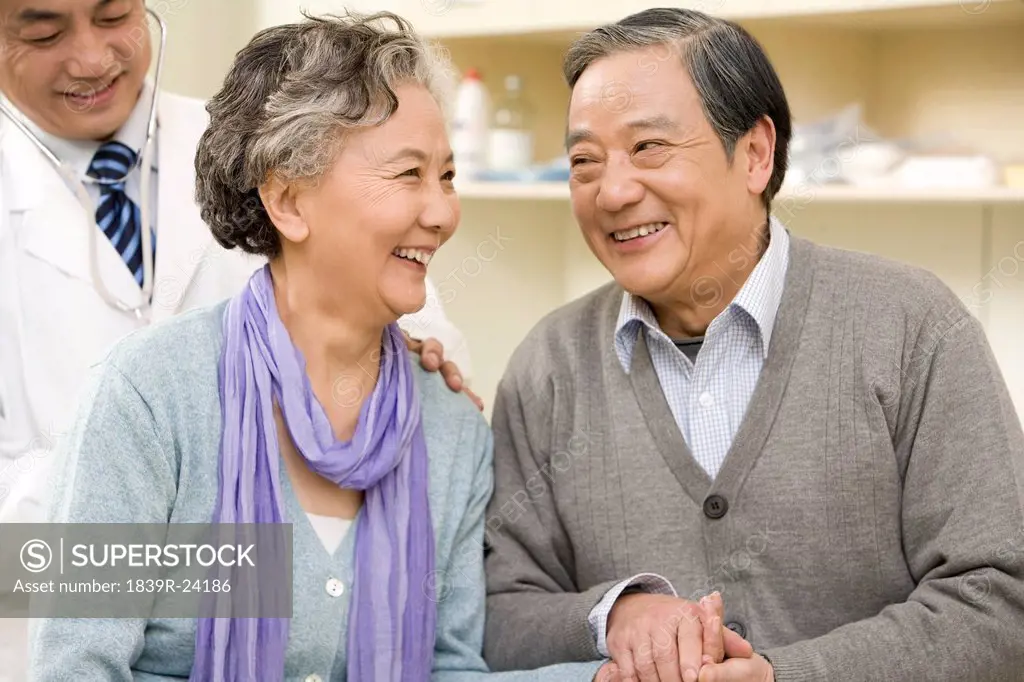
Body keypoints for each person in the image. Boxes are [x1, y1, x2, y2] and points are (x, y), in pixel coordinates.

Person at [26, 12, 626, 681]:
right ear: (287, 199)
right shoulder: (148, 396)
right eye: (407, 175)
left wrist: (609, 676)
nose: (443, 213)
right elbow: (74, 669)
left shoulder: (452, 434)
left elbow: (451, 672)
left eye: (448, 176)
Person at [483, 7, 1024, 682]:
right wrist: (611, 616)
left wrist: (781, 674)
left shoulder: (912, 327)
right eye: (584, 160)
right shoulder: (550, 365)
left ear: (756, 154)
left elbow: (1000, 603)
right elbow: (491, 617)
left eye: (649, 148)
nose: (613, 191)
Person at [0, 0, 472, 678]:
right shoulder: (146, 392)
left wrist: (419, 359)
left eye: (112, 18)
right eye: (43, 32)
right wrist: (174, 495)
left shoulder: (260, 130)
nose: (92, 59)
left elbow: (399, 306)